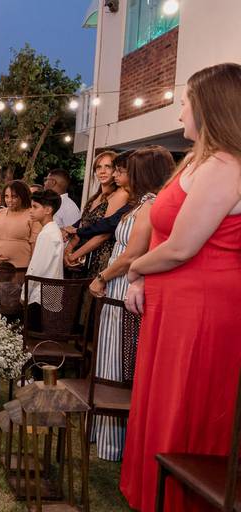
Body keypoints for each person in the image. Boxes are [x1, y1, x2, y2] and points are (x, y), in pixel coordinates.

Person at [120, 63, 241, 512]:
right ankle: (152, 493)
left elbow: (182, 248)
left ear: (210, 107)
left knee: (184, 403)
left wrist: (135, 270)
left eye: (185, 103)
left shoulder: (226, 166)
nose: (179, 113)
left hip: (203, 307)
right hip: (175, 303)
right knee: (162, 399)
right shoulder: (199, 160)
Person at [86, 145, 175, 462]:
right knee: (107, 354)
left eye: (128, 170)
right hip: (118, 281)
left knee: (118, 360)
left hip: (124, 283)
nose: (119, 174)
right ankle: (102, 434)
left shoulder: (151, 206)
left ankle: (115, 443)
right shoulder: (139, 204)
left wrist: (102, 277)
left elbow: (132, 254)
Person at [64, 153, 129, 277]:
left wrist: (73, 256)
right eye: (98, 167)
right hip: (81, 258)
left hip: (100, 259)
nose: (102, 171)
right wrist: (67, 251)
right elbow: (81, 228)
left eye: (108, 167)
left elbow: (103, 235)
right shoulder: (95, 198)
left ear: (115, 170)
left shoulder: (120, 195)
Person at [0, 180, 42, 286]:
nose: (9, 200)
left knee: (16, 295)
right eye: (6, 196)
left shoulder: (32, 215)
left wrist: (32, 270)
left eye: (14, 197)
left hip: (21, 269)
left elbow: (35, 244)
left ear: (23, 196)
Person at [23, 190, 64, 305]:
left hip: (40, 295)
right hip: (48, 292)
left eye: (35, 207)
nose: (31, 210)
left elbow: (37, 268)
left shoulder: (47, 234)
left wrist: (24, 294)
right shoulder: (52, 230)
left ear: (48, 210)